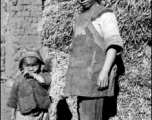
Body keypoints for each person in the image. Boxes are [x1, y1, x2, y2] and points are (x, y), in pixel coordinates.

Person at [64, 0, 124, 120]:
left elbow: (112, 46)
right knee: (84, 113)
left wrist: (104, 71)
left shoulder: (105, 14)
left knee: (91, 115)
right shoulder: (79, 18)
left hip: (95, 77)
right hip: (81, 79)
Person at [7, 48, 52, 120]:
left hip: (41, 113)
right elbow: (13, 97)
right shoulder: (19, 79)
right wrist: (12, 114)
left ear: (39, 64)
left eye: (34, 65)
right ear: (22, 66)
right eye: (27, 66)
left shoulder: (43, 75)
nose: (31, 68)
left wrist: (33, 75)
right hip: (24, 115)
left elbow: (44, 81)